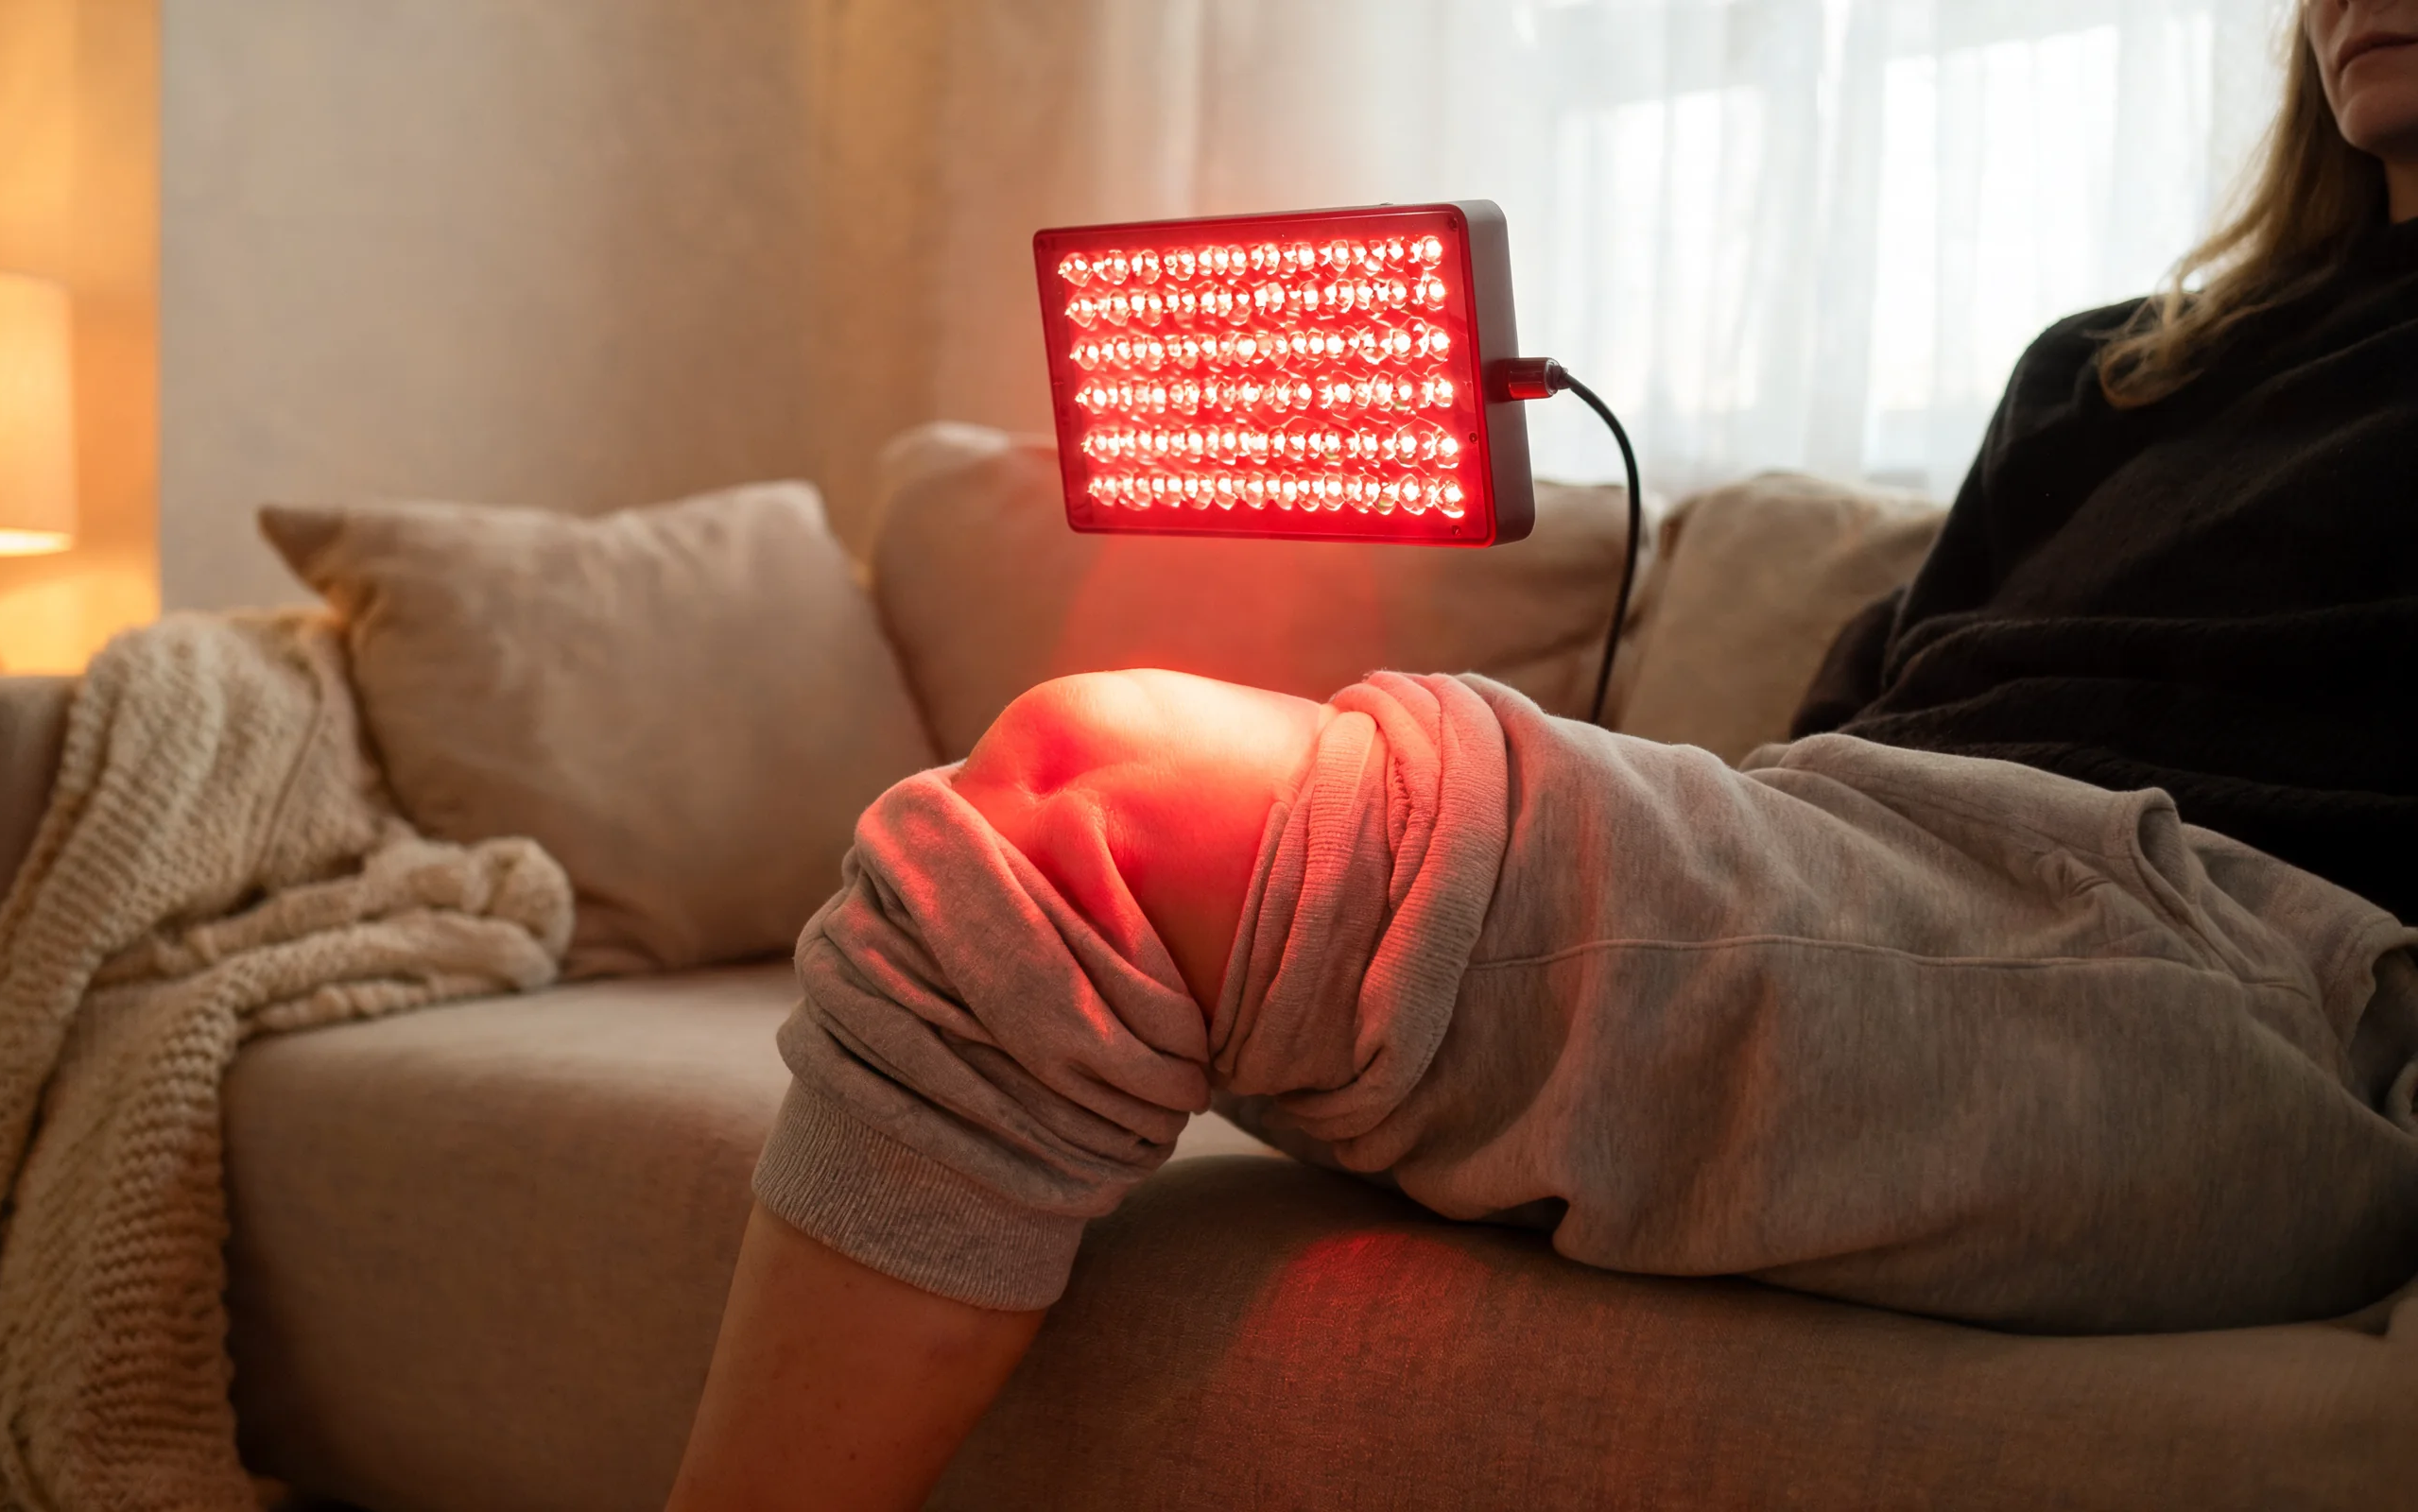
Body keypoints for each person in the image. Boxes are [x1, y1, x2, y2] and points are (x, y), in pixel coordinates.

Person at [668, 5, 2418, 1508]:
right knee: (1017, 899)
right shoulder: (2107, 374)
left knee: (1084, 806)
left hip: (2252, 960)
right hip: (1891, 848)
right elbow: (1854, 743)